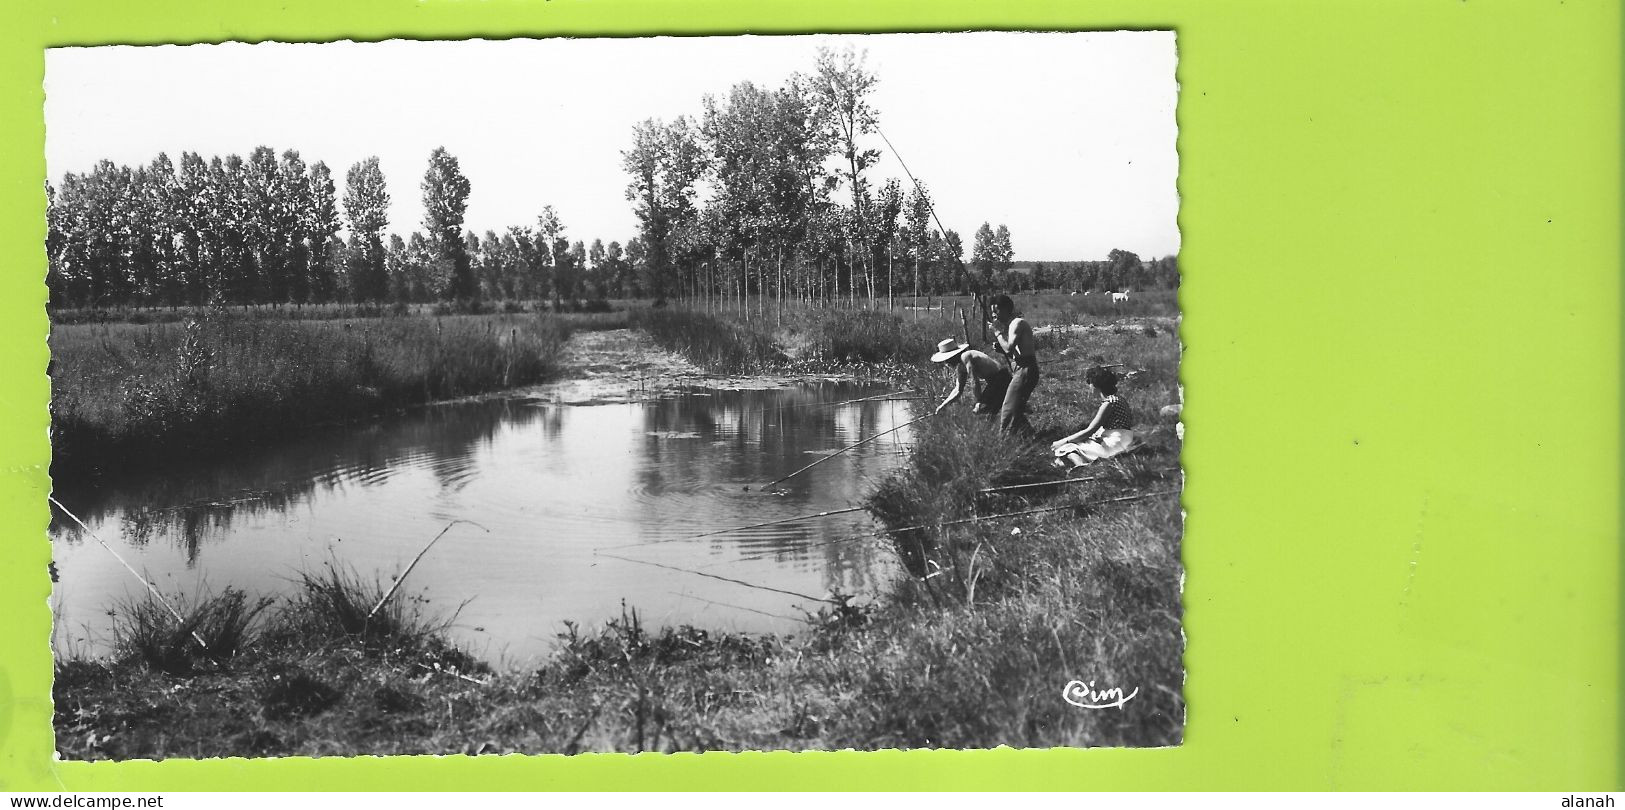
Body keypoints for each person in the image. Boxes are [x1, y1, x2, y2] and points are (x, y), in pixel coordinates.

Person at [1051, 366, 1137, 471]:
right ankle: (1077, 465)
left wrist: (1064, 441)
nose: (1089, 387)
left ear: (1096, 385)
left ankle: (1081, 467)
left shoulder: (1109, 402)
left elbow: (1090, 430)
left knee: (1066, 447)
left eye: (1090, 384)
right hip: (1124, 440)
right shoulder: (1119, 399)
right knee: (1059, 461)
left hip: (1113, 443)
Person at [987, 294, 1038, 435]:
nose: (994, 315)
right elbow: (1015, 353)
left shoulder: (1017, 323)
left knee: (1008, 409)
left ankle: (1005, 441)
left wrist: (997, 333)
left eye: (996, 311)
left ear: (1005, 309)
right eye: (992, 312)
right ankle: (1028, 436)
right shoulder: (1012, 325)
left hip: (1025, 370)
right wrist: (1001, 349)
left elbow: (1009, 348)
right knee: (1016, 407)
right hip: (1022, 369)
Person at [930, 338, 1010, 416]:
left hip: (1001, 377)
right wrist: (943, 406)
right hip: (994, 382)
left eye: (947, 360)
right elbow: (958, 390)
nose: (946, 363)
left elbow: (974, 382)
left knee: (982, 409)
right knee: (988, 410)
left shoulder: (966, 356)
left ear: (952, 356)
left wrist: (979, 402)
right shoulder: (961, 367)